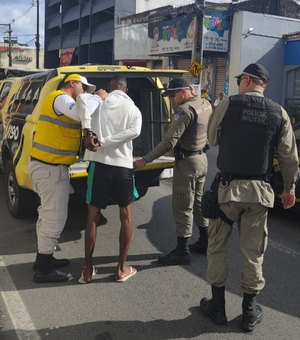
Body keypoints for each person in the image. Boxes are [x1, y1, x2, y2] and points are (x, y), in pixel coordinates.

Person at [200, 63, 299, 332]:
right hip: (259, 194)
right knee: (253, 253)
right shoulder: (278, 112)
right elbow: (290, 158)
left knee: (217, 247)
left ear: (246, 81)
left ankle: (217, 308)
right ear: (262, 85)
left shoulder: (229, 104)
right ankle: (249, 312)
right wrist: (289, 189)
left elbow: (212, 137)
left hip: (227, 191)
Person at [134, 78, 212, 265]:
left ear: (184, 91)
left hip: (187, 164)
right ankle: (205, 241)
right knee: (198, 202)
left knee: (182, 205)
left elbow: (169, 142)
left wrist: (146, 159)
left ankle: (182, 251)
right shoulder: (205, 103)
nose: (172, 100)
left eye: (173, 95)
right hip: (202, 159)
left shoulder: (184, 111)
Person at [29, 74, 96, 283]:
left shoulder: (63, 102)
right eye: (83, 88)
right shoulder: (60, 98)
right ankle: (43, 270)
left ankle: (44, 258)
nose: (85, 93)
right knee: (54, 217)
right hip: (49, 169)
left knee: (46, 215)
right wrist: (100, 97)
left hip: (50, 168)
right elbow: (79, 113)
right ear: (73, 83)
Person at [77, 75, 142, 283]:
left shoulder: (99, 103)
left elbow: (81, 100)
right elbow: (135, 131)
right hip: (123, 166)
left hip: (99, 164)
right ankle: (121, 270)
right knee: (126, 216)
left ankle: (87, 271)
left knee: (92, 217)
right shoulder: (133, 109)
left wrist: (93, 134)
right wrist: (107, 141)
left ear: (108, 88)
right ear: (127, 89)